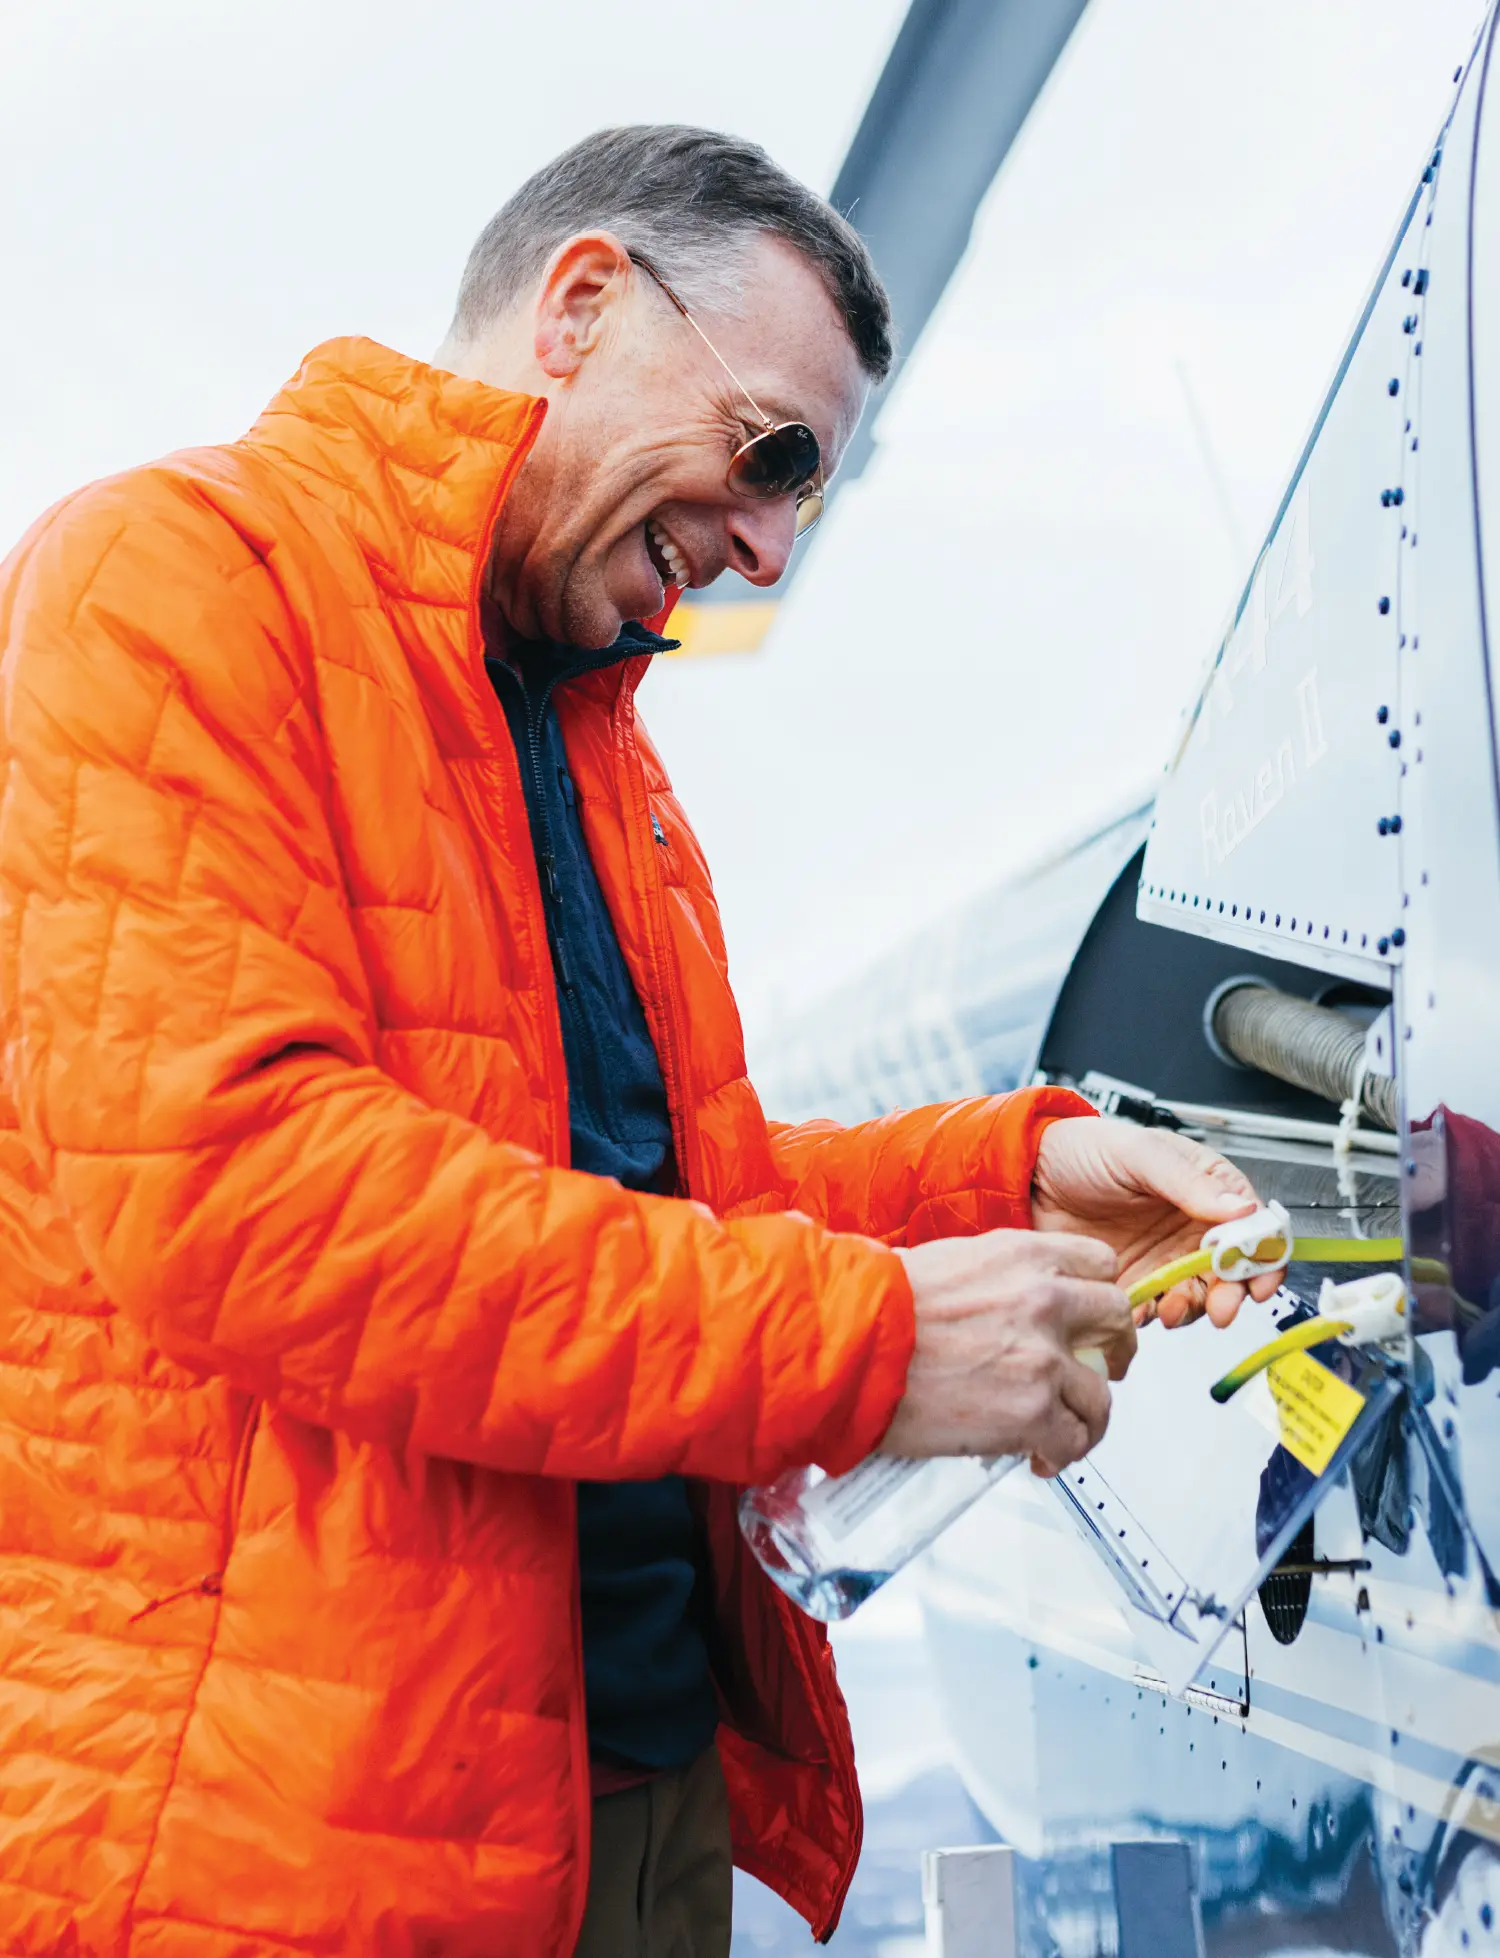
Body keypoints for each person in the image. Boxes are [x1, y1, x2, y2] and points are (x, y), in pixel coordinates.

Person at [0, 125, 1274, 1958]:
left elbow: (676, 1200)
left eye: (806, 503)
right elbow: (249, 1195)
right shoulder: (172, 578)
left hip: (624, 1787)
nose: (764, 546)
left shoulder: (605, 755)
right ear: (582, 307)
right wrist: (870, 1343)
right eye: (770, 455)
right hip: (297, 1841)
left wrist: (1008, 1173)